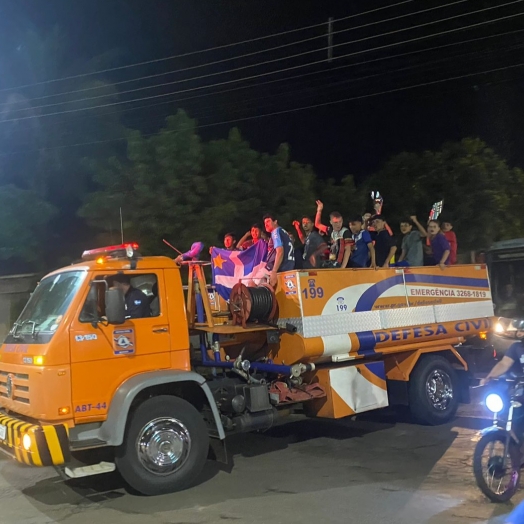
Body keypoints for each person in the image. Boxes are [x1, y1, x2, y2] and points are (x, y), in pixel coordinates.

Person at [254, 214, 295, 287]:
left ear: (275, 222)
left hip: (278, 266)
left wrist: (274, 271)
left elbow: (280, 251)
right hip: (289, 265)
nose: (266, 224)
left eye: (268, 221)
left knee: (252, 282)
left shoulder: (275, 232)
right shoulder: (283, 231)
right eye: (265, 223)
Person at [480, 320, 524, 385]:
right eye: (519, 331)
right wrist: (489, 378)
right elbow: (504, 364)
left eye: (522, 331)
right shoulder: (516, 347)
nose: (519, 334)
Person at [314, 200, 352, 268]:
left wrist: (342, 268)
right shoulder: (330, 230)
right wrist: (319, 210)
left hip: (343, 262)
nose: (338, 224)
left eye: (340, 222)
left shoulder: (345, 232)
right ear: (331, 222)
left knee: (339, 242)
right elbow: (317, 224)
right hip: (333, 258)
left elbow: (348, 250)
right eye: (335, 222)